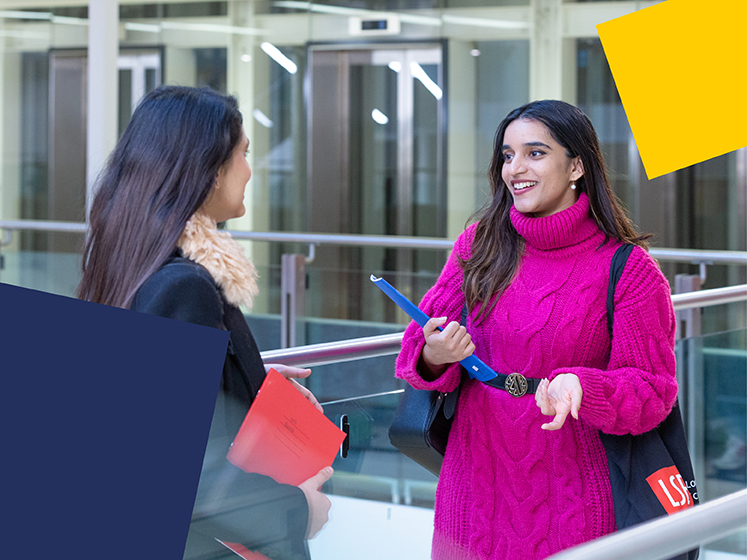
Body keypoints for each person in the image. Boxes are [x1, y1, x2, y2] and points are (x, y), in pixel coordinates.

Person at [395, 100, 678, 559]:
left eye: (535, 153)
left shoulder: (629, 270)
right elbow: (415, 351)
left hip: (576, 503)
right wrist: (436, 353)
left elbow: (652, 391)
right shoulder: (479, 245)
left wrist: (582, 387)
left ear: (577, 166)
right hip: (473, 492)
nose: (515, 169)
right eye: (507, 155)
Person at [78, 86, 332, 560]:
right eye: (244, 154)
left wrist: (245, 377)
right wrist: (299, 511)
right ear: (211, 171)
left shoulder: (131, 263)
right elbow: (187, 471)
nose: (250, 170)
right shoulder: (184, 285)